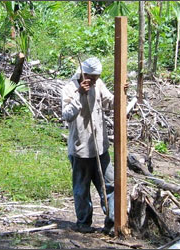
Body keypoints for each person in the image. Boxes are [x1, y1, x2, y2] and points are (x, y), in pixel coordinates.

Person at [61, 57, 123, 234]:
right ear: (83, 74)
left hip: (100, 147)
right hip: (81, 149)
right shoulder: (69, 88)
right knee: (81, 189)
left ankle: (112, 221)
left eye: (97, 77)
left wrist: (121, 94)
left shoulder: (98, 84)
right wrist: (79, 94)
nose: (95, 81)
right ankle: (84, 222)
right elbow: (67, 115)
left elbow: (110, 103)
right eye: (92, 77)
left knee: (110, 184)